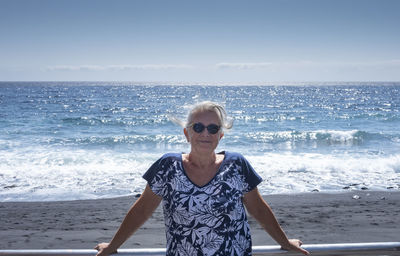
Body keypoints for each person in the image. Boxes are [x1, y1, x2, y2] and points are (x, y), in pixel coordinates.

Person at [95, 101, 309, 256]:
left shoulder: (237, 164)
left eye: (213, 128)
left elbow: (259, 210)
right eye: (198, 127)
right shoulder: (168, 166)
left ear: (220, 136)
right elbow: (142, 210)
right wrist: (113, 246)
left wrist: (284, 242)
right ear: (187, 133)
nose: (205, 133)